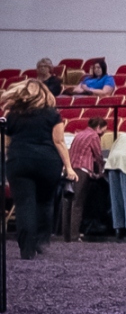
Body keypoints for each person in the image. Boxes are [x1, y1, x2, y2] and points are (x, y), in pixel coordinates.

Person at [0, 80, 75, 259]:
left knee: (24, 205)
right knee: (45, 203)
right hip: (48, 162)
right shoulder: (52, 114)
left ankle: (27, 250)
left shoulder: (13, 115)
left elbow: (6, 143)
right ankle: (41, 240)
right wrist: (69, 168)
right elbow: (59, 142)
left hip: (19, 161)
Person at [68, 113, 111, 238]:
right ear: (98, 127)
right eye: (103, 130)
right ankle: (74, 235)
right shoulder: (94, 136)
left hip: (72, 169)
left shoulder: (79, 134)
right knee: (78, 204)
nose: (103, 133)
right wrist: (101, 172)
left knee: (69, 202)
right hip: (82, 170)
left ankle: (67, 233)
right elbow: (98, 155)